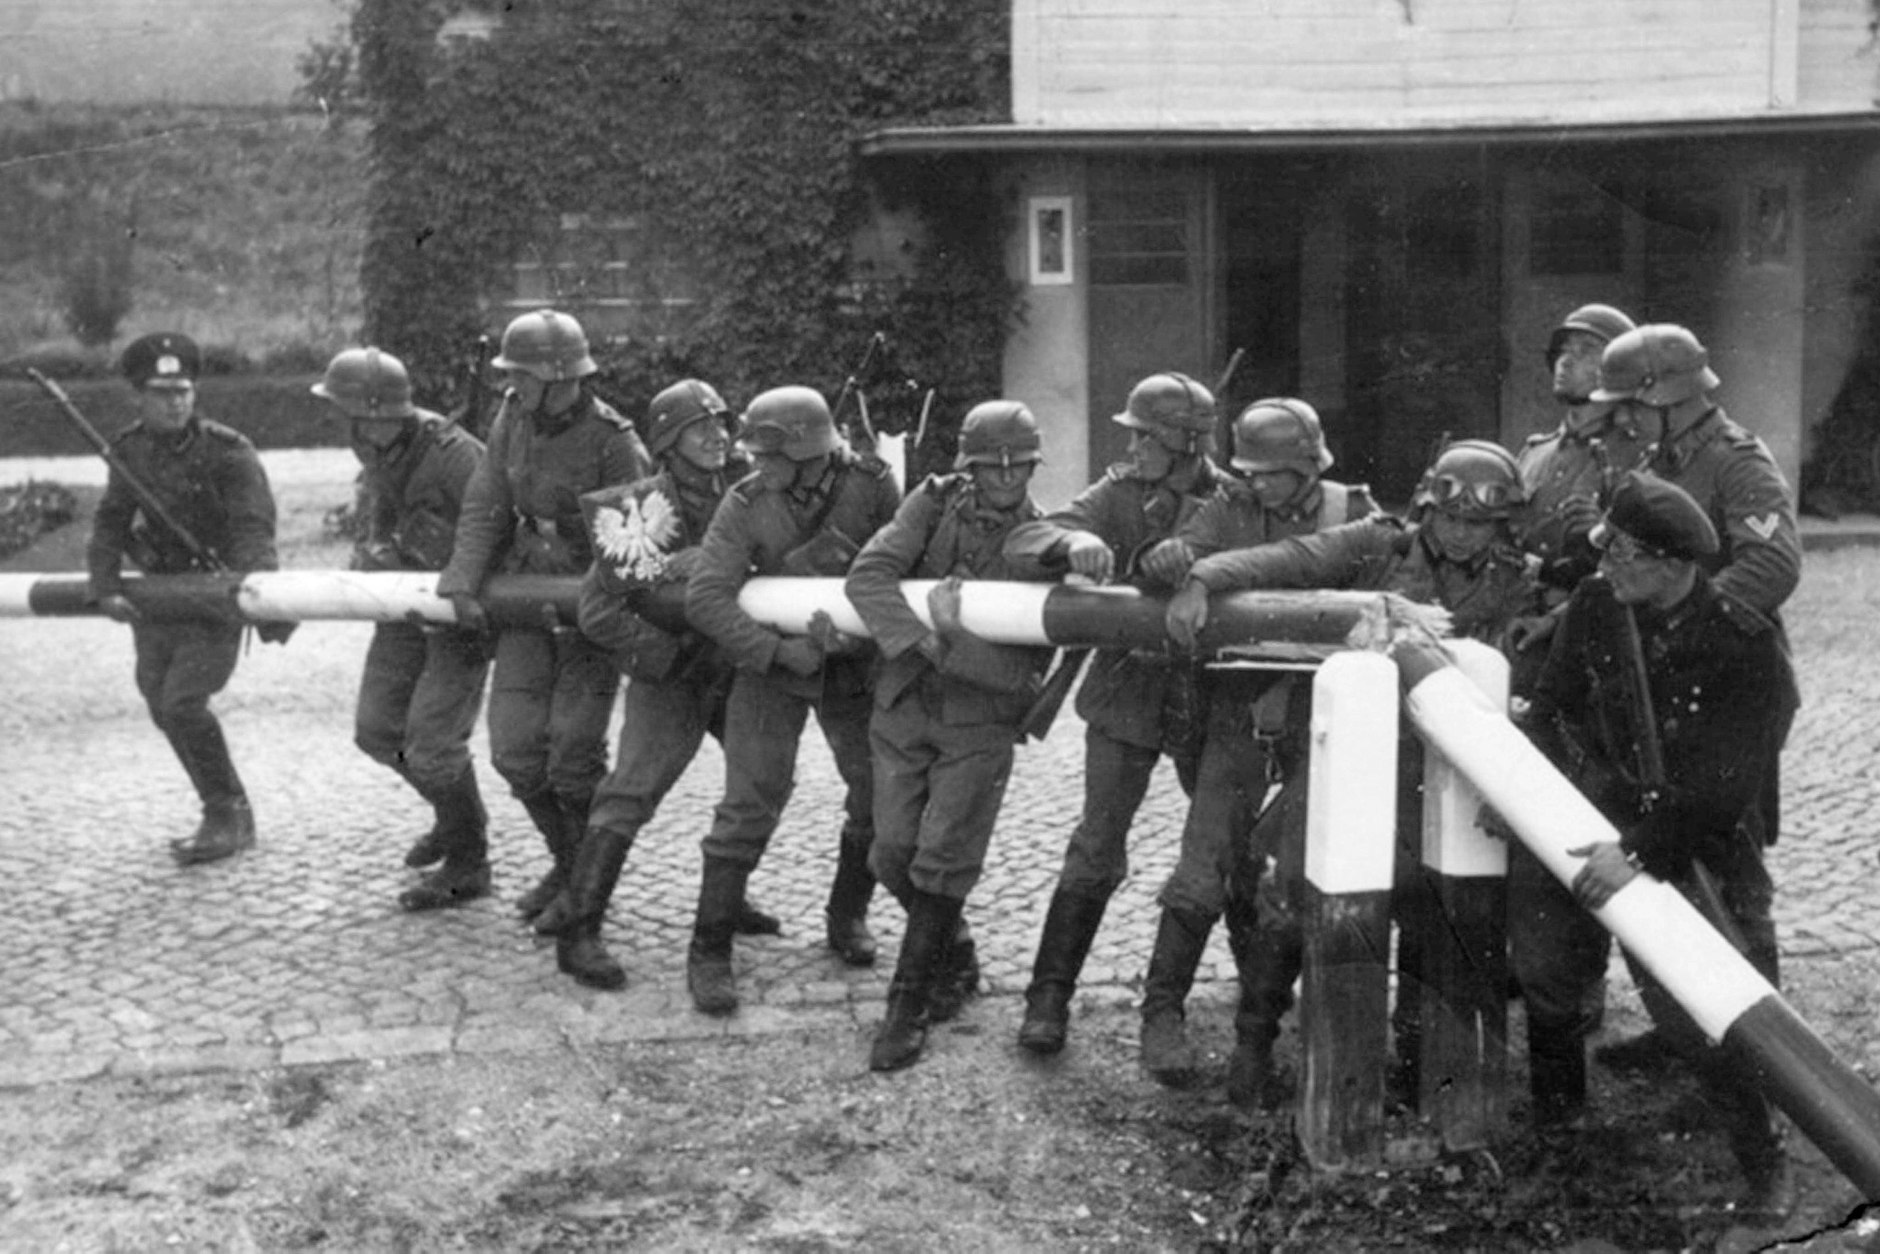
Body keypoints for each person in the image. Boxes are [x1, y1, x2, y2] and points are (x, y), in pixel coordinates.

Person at [1167, 438, 1536, 1105]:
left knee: (1431, 910)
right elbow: (1291, 558)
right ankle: (1255, 1044)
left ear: (1500, 524)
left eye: (1478, 524)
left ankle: (1415, 1060)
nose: (1459, 533)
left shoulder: (1519, 579)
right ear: (1427, 508)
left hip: (1442, 775)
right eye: (1449, 518)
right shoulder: (1380, 545)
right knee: (1285, 895)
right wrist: (1204, 577)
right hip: (1348, 760)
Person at [1514, 470, 1796, 1219]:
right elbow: (1548, 705)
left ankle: (1762, 1158)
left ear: (1671, 565)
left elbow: (1726, 785)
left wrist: (1637, 853)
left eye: (1623, 554)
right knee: (1547, 973)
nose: (1605, 566)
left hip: (1689, 841)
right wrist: (1555, 809)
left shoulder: (1742, 641)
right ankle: (1560, 1131)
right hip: (1595, 822)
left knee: (1717, 1003)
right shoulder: (1599, 606)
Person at [1135, 397, 1377, 1095]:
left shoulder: (1351, 509)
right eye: (1252, 472)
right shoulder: (1225, 507)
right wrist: (1169, 560)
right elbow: (1167, 563)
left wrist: (1215, 574)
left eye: (1274, 474)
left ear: (1309, 464)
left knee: (1292, 878)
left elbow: (1357, 571)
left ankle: (1261, 1035)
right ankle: (1162, 1013)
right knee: (1202, 864)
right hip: (1239, 711)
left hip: (1321, 719)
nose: (1259, 485)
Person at [1583, 322, 1803, 1073]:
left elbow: (1771, 565)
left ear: (1667, 398)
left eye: (1631, 406)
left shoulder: (1737, 463)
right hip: (1664, 686)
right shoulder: (1660, 457)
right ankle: (1683, 1026)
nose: (1622, 420)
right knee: (1661, 844)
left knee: (1730, 860)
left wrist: (1686, 632)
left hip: (1729, 687)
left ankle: (1761, 1051)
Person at [1001, 372, 1223, 1057]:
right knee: (1097, 843)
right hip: (1128, 691)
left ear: (1182, 443)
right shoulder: (1119, 493)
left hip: (1210, 696)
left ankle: (1196, 1009)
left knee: (1222, 848)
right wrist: (1070, 546)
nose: (1130, 444)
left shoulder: (1234, 497)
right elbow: (1026, 538)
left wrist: (1202, 560)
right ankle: (1049, 996)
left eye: (1143, 436)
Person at [535, 380, 773, 987]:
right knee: (631, 792)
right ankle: (579, 930)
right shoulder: (638, 507)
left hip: (736, 664)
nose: (717, 435)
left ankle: (727, 898)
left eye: (721, 422)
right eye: (700, 427)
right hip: (675, 670)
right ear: (668, 442)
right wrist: (667, 646)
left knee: (760, 781)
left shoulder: (751, 489)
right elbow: (598, 612)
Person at [845, 400, 1057, 1071]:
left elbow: (1021, 678)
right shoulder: (930, 507)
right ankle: (953, 948)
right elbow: (868, 578)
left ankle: (907, 1006)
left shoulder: (1042, 543)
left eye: (1018, 463)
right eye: (990, 463)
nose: (1004, 475)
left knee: (942, 857)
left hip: (979, 721)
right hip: (904, 703)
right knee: (889, 853)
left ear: (1032, 464)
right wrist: (921, 642)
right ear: (968, 465)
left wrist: (949, 643)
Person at [682, 385, 902, 1015]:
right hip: (770, 665)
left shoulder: (872, 487)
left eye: (771, 457)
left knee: (872, 795)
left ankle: (847, 915)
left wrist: (856, 640)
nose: (756, 466)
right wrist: (778, 653)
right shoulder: (746, 502)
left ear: (813, 454)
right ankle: (710, 948)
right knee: (749, 802)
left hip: (852, 666)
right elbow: (706, 598)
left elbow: (902, 565)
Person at [435, 309, 652, 921]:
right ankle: (568, 862)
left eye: (524, 375)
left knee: (574, 757)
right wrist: (463, 580)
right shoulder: (513, 417)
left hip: (591, 608)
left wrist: (598, 602)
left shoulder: (616, 442)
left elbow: (636, 552)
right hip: (526, 597)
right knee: (514, 751)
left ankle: (585, 888)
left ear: (562, 377)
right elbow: (485, 501)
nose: (514, 385)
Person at [87, 331, 291, 865]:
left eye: (183, 390)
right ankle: (220, 807)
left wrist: (259, 597)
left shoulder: (229, 451)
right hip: (159, 600)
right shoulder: (128, 451)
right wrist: (105, 586)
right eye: (161, 392)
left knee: (183, 702)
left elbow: (254, 530)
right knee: (158, 699)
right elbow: (110, 522)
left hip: (214, 599)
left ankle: (228, 813)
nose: (175, 401)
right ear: (140, 395)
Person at [311, 347, 492, 911]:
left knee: (434, 746)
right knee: (377, 731)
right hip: (402, 610)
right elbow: (372, 529)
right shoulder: (373, 450)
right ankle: (453, 814)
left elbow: (496, 528)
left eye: (347, 411)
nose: (343, 424)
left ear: (373, 410)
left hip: (458, 617)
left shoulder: (456, 458)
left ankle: (469, 860)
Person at [1512, 303, 1642, 605]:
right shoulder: (1534, 453)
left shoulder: (1636, 456)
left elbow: (1655, 561)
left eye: (1586, 351)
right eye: (1564, 350)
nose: (1566, 361)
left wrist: (1604, 535)